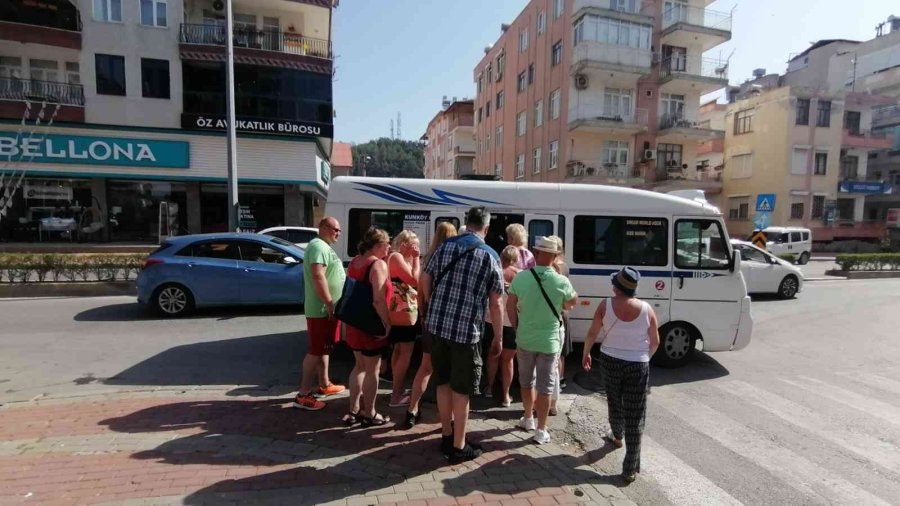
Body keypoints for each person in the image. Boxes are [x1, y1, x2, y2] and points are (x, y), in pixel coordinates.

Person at [420, 208, 504, 463]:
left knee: (443, 382)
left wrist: (431, 303)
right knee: (462, 390)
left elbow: (425, 278)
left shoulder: (445, 247)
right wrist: (498, 337)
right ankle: (458, 446)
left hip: (437, 326)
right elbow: (496, 303)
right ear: (486, 229)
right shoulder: (490, 256)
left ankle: (446, 435)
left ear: (467, 224)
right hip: (466, 332)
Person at [582, 267, 660, 483]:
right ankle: (629, 468)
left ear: (616, 286)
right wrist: (644, 358)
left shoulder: (605, 305)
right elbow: (655, 343)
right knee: (636, 416)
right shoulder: (647, 309)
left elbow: (592, 333)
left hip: (610, 361)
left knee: (614, 401)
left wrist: (586, 353)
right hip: (638, 364)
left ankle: (617, 436)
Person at [507, 236, 577, 444]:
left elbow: (510, 305)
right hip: (549, 341)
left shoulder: (521, 278)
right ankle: (541, 430)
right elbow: (571, 304)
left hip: (525, 338)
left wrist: (516, 326)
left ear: (536, 255)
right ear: (554, 257)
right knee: (546, 386)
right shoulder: (561, 280)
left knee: (526, 382)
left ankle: (528, 417)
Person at [403, 221, 457, 429]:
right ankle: (449, 418)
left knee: (425, 368)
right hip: (450, 321)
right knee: (450, 371)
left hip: (430, 320)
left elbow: (420, 292)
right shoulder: (456, 258)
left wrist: (423, 315)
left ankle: (412, 409)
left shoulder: (428, 258)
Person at [292, 217, 347, 411]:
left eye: (339, 230)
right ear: (322, 228)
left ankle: (324, 384)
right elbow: (318, 275)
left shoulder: (322, 246)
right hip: (321, 309)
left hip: (326, 309)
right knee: (316, 350)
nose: (338, 233)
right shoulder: (318, 246)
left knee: (324, 348)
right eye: (335, 229)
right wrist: (329, 303)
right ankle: (303, 395)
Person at [343, 227, 393, 427]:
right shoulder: (378, 265)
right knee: (373, 369)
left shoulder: (356, 261)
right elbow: (378, 300)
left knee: (359, 367)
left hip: (355, 322)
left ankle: (353, 410)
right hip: (370, 325)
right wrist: (387, 324)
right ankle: (369, 413)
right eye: (387, 244)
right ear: (379, 246)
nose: (389, 248)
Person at [386, 230, 421, 407]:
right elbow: (415, 280)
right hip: (403, 312)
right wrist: (416, 259)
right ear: (404, 243)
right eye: (413, 245)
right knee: (405, 352)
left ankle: (396, 389)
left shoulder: (394, 257)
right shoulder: (397, 257)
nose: (416, 249)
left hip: (398, 311)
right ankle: (396, 394)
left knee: (398, 351)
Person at [484, 245, 521, 407]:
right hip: (511, 323)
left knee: (492, 357)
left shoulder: (493, 271)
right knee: (508, 360)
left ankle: (489, 388)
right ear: (516, 259)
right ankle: (506, 395)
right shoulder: (519, 276)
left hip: (491, 321)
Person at [550, 237, 572, 416]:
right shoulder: (565, 267)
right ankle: (561, 380)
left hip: (552, 314)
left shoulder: (552, 268)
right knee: (561, 353)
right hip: (562, 313)